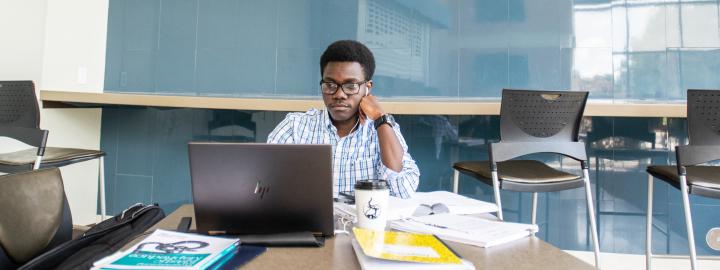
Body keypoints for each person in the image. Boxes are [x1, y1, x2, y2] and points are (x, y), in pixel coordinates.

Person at [267, 40, 420, 199]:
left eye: (351, 86)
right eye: (330, 85)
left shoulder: (382, 129)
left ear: (367, 88)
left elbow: (404, 190)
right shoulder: (295, 126)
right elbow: (262, 181)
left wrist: (380, 117)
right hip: (309, 223)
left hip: (361, 223)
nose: (339, 94)